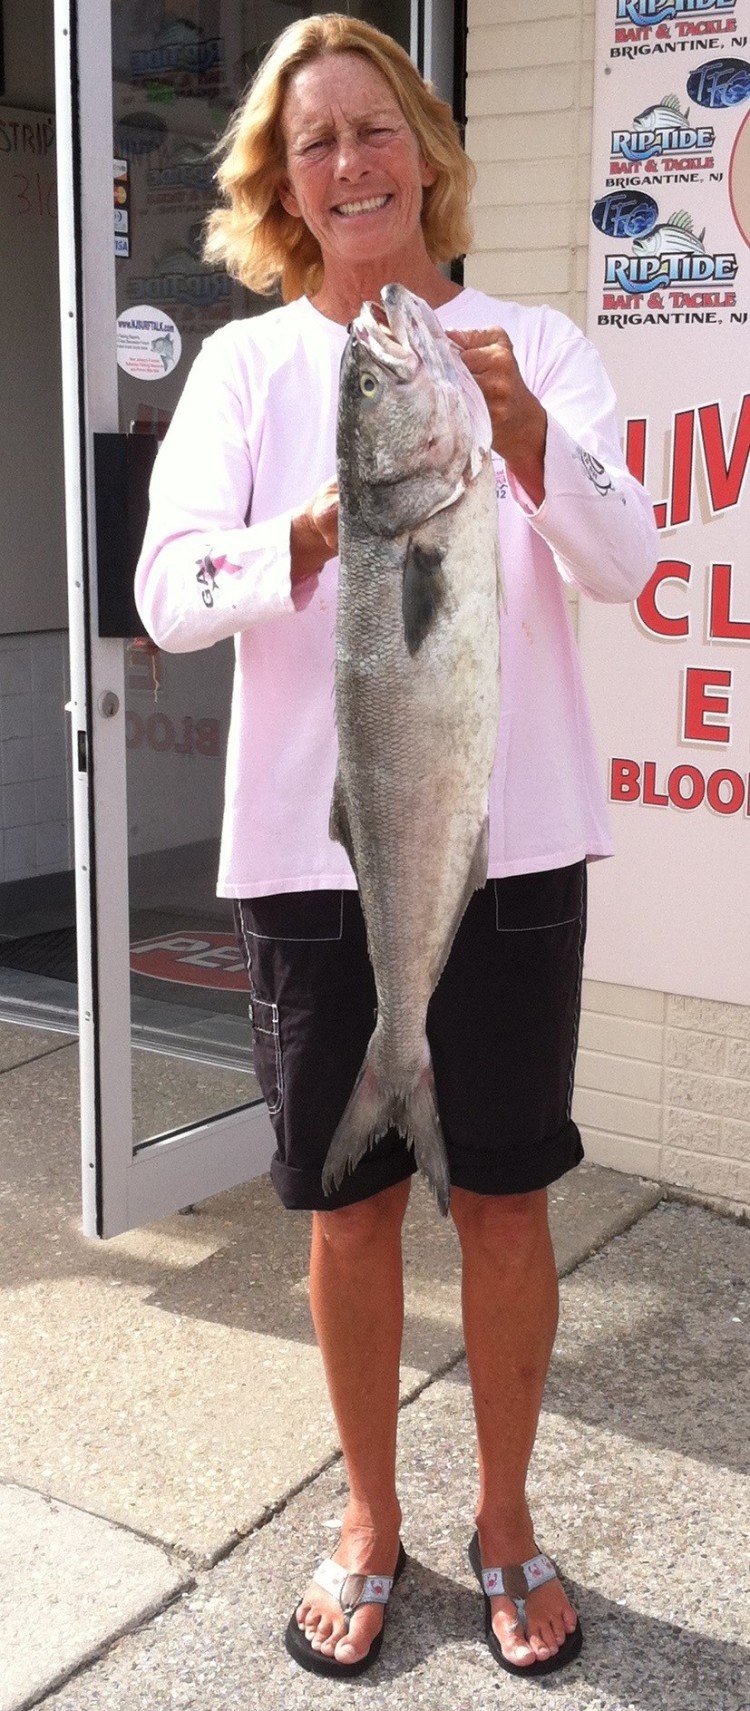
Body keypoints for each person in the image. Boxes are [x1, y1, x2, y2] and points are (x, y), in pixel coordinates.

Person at [135, 12, 658, 1681]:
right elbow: (163, 598)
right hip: (309, 849)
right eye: (314, 144)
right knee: (347, 1211)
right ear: (280, 187)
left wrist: (517, 440)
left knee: (503, 1205)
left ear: (426, 153)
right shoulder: (245, 367)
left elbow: (625, 561)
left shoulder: (530, 343)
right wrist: (299, 536)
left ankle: (503, 1519)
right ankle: (370, 1516)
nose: (349, 164)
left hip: (513, 858)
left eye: (373, 130)